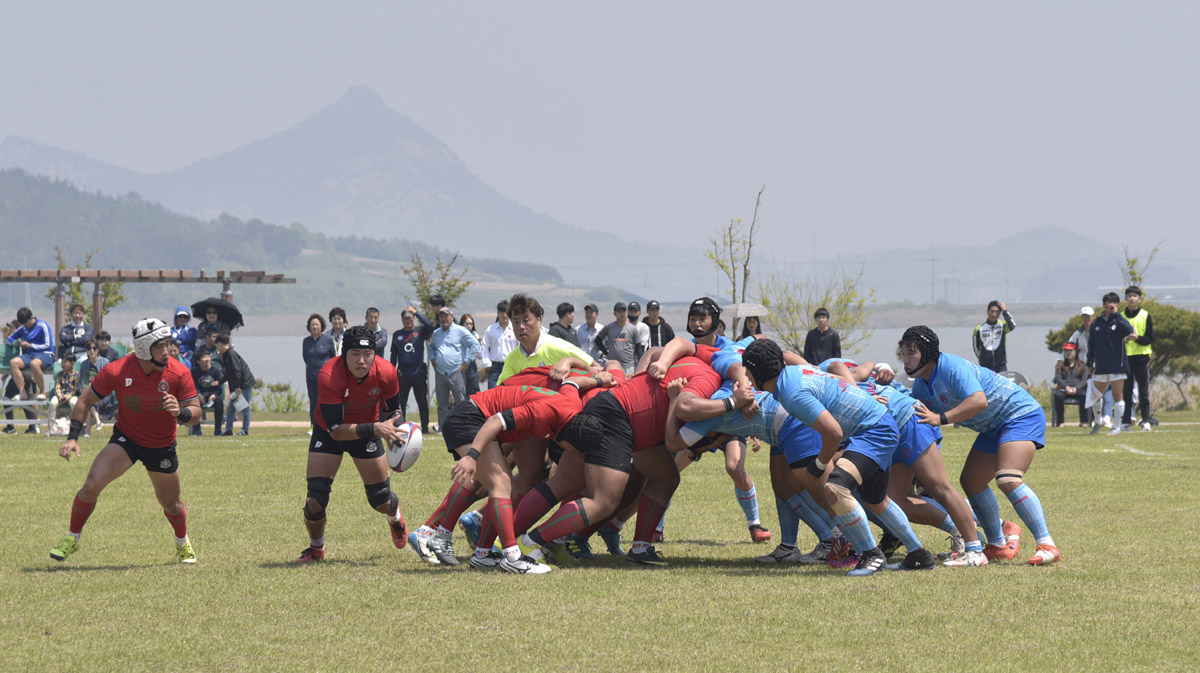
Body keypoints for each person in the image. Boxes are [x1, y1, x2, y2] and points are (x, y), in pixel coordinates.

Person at [741, 339, 928, 576]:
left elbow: (833, 432)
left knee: (836, 488)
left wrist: (819, 465)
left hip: (873, 431)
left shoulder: (791, 392)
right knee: (876, 501)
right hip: (878, 424)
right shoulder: (792, 374)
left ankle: (871, 555)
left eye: (747, 370)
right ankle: (919, 555)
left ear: (757, 370)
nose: (746, 375)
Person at [899, 325, 1061, 566]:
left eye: (912, 352)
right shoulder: (922, 386)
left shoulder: (952, 367)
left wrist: (941, 418)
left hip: (1019, 414)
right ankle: (997, 545)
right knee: (971, 482)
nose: (906, 359)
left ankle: (1047, 544)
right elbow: (919, 421)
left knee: (1007, 479)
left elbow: (979, 401)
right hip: (992, 427)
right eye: (903, 353)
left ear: (928, 351)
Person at [49, 318, 201, 564]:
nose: (166, 351)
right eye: (159, 346)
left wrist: (181, 413)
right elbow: (85, 401)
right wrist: (72, 438)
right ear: (142, 348)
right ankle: (71, 538)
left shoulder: (179, 372)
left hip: (161, 445)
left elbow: (196, 414)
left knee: (171, 504)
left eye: (168, 344)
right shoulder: (116, 370)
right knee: (90, 486)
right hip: (126, 440)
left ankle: (182, 542)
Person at [295, 325, 408, 563]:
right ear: (344, 353)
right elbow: (336, 431)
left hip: (367, 433)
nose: (361, 360)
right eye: (355, 354)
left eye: (367, 354)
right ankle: (316, 549)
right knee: (315, 499)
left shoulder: (387, 372)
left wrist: (397, 431)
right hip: (329, 432)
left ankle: (394, 515)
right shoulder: (329, 375)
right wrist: (377, 427)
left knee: (380, 500)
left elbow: (394, 410)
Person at [497, 294, 595, 384]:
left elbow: (596, 368)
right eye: (516, 322)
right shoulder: (512, 359)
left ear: (539, 320)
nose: (521, 326)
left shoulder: (557, 347)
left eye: (526, 321)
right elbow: (500, 390)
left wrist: (570, 362)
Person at [1087, 292, 1135, 437]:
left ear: (1118, 304)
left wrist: (1116, 316)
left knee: (1117, 395)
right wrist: (1090, 361)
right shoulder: (1096, 323)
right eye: (1108, 302)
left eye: (1114, 302)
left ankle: (1116, 427)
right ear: (1104, 305)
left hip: (1117, 365)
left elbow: (1129, 330)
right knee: (1095, 396)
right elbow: (1091, 344)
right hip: (1101, 365)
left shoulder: (1119, 320)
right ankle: (1098, 421)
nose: (1111, 305)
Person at [429, 307, 480, 432]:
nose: (444, 318)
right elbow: (431, 348)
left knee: (461, 402)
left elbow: (475, 345)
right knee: (442, 404)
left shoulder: (460, 331)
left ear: (451, 317)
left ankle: (463, 427)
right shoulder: (436, 333)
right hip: (440, 372)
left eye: (446, 316)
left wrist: (467, 361)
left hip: (456, 371)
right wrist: (433, 360)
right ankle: (443, 428)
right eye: (441, 316)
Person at [391, 305, 434, 433]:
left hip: (418, 371)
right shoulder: (397, 335)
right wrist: (392, 371)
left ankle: (425, 428)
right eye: (405, 318)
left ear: (414, 319)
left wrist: (416, 312)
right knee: (401, 403)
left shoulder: (420, 331)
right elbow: (394, 355)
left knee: (422, 401)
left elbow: (429, 325)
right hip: (403, 372)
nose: (408, 320)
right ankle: (401, 427)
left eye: (410, 318)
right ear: (402, 320)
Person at [1120, 286, 1155, 431]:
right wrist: (1125, 339)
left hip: (1142, 357)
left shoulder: (1145, 315)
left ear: (1139, 299)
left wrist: (1137, 338)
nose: (1132, 298)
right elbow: (1116, 338)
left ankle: (1146, 420)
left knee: (1144, 391)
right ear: (1126, 299)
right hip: (1127, 358)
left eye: (1135, 296)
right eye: (1129, 296)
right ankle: (1126, 421)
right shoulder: (1121, 316)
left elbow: (1150, 338)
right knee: (1127, 392)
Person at [6, 307, 55, 404]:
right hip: (29, 355)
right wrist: (15, 342)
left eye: (26, 323)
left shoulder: (43, 326)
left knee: (34, 364)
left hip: (45, 354)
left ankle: (43, 392)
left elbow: (48, 346)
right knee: (14, 363)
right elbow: (9, 339)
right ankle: (22, 392)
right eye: (23, 324)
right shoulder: (23, 328)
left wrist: (30, 345)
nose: (25, 326)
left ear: (31, 318)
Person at [215, 334, 256, 436]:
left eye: (217, 345)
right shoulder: (225, 355)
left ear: (220, 344)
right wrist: (220, 381)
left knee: (245, 407)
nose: (216, 347)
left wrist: (238, 387)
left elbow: (237, 371)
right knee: (231, 407)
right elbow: (229, 373)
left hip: (244, 384)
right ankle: (229, 430)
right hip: (237, 385)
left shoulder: (231, 354)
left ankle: (245, 430)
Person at [302, 313, 335, 428]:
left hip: (325, 377)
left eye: (317, 324)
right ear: (309, 327)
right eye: (312, 325)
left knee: (326, 401)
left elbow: (332, 358)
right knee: (314, 402)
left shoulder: (328, 340)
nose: (315, 327)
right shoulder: (306, 341)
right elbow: (306, 358)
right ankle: (314, 425)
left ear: (321, 326)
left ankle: (328, 424)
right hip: (311, 377)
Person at [481, 300, 517, 390]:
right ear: (497, 313)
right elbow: (484, 346)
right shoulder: (491, 329)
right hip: (494, 368)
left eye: (506, 312)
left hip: (511, 367)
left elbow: (521, 347)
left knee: (510, 395)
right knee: (493, 395)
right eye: (502, 312)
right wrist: (487, 363)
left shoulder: (516, 329)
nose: (504, 315)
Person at [77, 340, 111, 435]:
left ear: (98, 350)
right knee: (88, 399)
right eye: (89, 348)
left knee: (89, 400)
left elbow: (108, 382)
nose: (92, 351)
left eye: (94, 348)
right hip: (89, 393)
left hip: (104, 394)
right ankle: (96, 422)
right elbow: (81, 382)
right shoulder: (84, 364)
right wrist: (81, 388)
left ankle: (88, 430)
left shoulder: (105, 362)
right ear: (86, 351)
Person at [595, 302, 639, 375]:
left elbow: (639, 348)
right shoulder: (609, 327)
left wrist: (640, 364)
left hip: (628, 366)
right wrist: (606, 353)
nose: (622, 314)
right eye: (619, 312)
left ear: (627, 312)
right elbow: (597, 340)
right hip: (613, 366)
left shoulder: (633, 328)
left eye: (624, 311)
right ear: (615, 313)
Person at [972, 300, 1015, 373]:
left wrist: (1005, 311)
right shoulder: (979, 329)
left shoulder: (1002, 326)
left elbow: (1012, 325)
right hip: (985, 366)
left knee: (1002, 384)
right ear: (987, 312)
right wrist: (982, 358)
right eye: (992, 311)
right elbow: (975, 348)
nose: (994, 314)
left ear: (999, 313)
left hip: (1001, 365)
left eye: (997, 312)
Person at [1052, 343, 1089, 427]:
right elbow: (1058, 379)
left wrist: (1076, 388)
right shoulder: (1059, 366)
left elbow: (1084, 380)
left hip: (1077, 389)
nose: (1068, 353)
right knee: (1058, 395)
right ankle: (1060, 422)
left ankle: (1083, 421)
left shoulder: (1083, 366)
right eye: (1066, 351)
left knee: (1084, 395)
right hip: (1064, 389)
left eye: (1071, 351)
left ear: (1076, 352)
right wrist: (1066, 387)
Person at [190, 348, 225, 436]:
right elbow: (193, 386)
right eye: (204, 357)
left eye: (208, 357)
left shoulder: (216, 370)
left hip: (212, 395)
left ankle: (218, 430)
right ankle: (197, 430)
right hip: (200, 395)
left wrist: (214, 395)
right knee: (195, 401)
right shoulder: (194, 372)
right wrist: (198, 394)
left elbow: (219, 387)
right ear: (198, 361)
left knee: (219, 401)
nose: (207, 359)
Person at [49, 353, 80, 419]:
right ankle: (51, 426)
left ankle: (75, 425)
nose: (63, 364)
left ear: (72, 364)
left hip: (72, 396)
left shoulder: (76, 375)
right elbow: (57, 386)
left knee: (73, 403)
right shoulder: (59, 375)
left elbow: (76, 388)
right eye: (62, 362)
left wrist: (68, 397)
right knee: (53, 403)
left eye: (65, 362)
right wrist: (60, 395)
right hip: (61, 396)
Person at [459, 313, 482, 396]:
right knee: (460, 391)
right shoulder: (457, 335)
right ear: (462, 324)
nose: (469, 326)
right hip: (460, 365)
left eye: (471, 324)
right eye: (467, 324)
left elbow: (479, 356)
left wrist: (479, 343)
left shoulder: (475, 335)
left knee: (474, 392)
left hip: (471, 365)